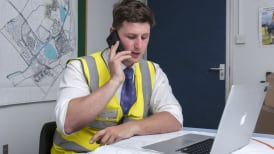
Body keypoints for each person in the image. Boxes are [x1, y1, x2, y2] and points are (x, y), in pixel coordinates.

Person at [51, 0, 183, 153]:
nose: (139, 46)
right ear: (113, 33)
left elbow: (174, 117)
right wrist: (114, 81)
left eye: (144, 37)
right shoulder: (79, 67)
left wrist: (130, 128)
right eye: (131, 37)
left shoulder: (153, 70)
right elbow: (68, 123)